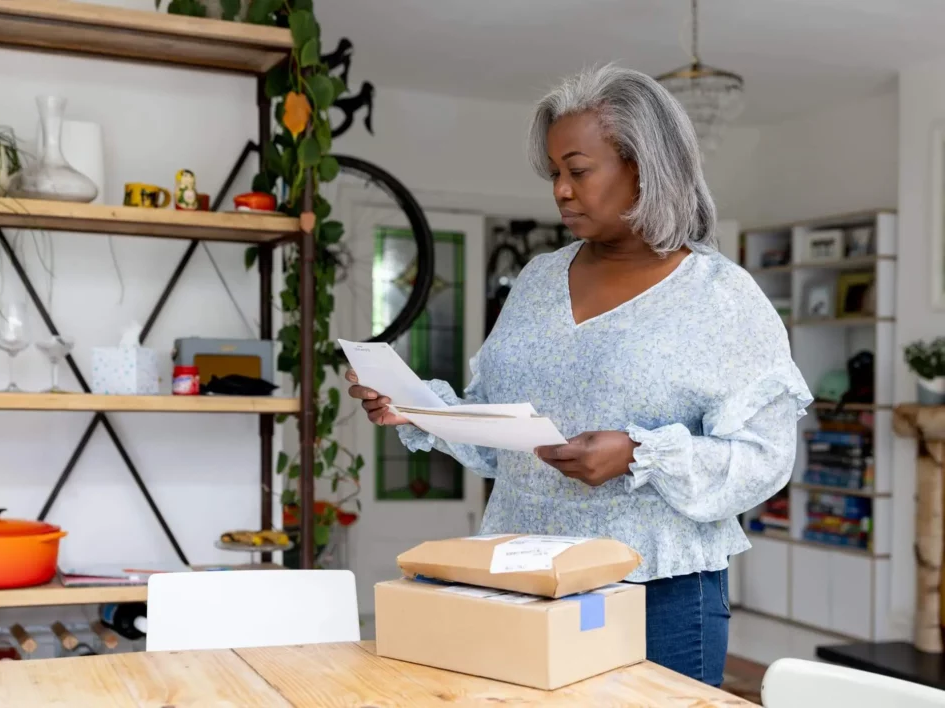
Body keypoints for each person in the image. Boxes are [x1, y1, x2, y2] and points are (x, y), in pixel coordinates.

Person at [346, 63, 812, 686]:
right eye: (556, 174)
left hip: (659, 595)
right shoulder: (537, 281)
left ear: (645, 167)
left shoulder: (721, 297)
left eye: (579, 170)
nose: (562, 191)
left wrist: (638, 454)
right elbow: (500, 433)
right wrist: (420, 409)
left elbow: (764, 458)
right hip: (518, 580)